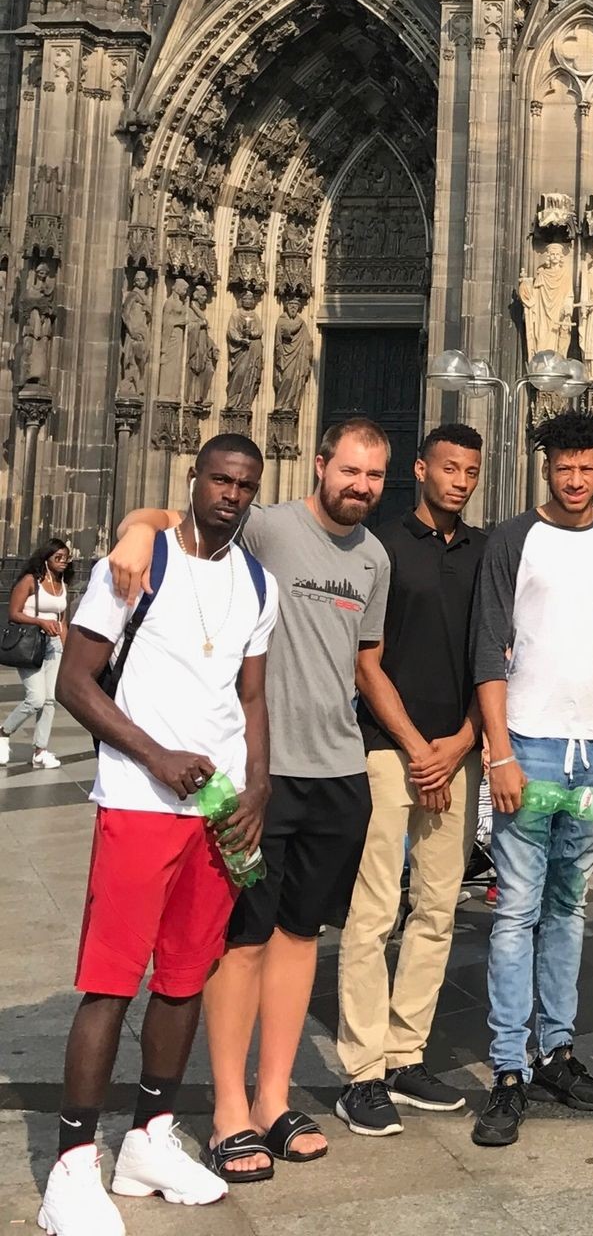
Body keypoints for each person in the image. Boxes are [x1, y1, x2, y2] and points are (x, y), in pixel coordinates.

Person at [108, 418, 393, 1177]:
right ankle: (229, 1107)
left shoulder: (375, 558)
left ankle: (274, 1097)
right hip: (261, 774)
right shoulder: (265, 525)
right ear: (322, 465)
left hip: (339, 771)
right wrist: (137, 529)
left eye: (374, 476)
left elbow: (366, 663)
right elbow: (185, 515)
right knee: (242, 940)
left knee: (301, 937)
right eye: (350, 471)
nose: (361, 486)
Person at [40, 438, 275, 1234]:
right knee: (111, 981)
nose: (232, 495)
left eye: (245, 485)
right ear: (194, 481)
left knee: (183, 977)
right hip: (139, 800)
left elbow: (253, 696)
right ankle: (72, 1164)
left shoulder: (257, 581)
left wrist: (259, 788)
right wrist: (154, 754)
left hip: (215, 811)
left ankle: (148, 1136)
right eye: (220, 479)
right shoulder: (135, 566)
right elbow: (76, 682)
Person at [469, 410, 593, 1147]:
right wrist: (497, 752)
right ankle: (510, 1067)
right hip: (530, 750)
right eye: (564, 467)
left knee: (569, 907)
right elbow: (486, 644)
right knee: (515, 913)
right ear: (547, 469)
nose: (575, 479)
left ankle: (559, 1051)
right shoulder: (513, 538)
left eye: (587, 466)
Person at [335, 425, 487, 1134]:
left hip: (456, 750)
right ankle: (361, 1071)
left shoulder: (486, 552)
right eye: (448, 468)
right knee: (373, 912)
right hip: (389, 748)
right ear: (421, 468)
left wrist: (459, 743)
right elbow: (368, 662)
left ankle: (405, 1051)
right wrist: (418, 747)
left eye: (471, 472)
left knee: (436, 908)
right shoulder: (381, 547)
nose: (459, 481)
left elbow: (493, 660)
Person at [4, 537, 72, 769]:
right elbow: (13, 613)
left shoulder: (63, 586)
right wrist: (40, 621)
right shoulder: (30, 581)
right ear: (46, 558)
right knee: (36, 699)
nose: (63, 562)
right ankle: (4, 732)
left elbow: (63, 622)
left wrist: (69, 652)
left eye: (66, 557)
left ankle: (40, 751)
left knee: (50, 700)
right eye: (58, 557)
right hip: (30, 643)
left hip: (54, 646)